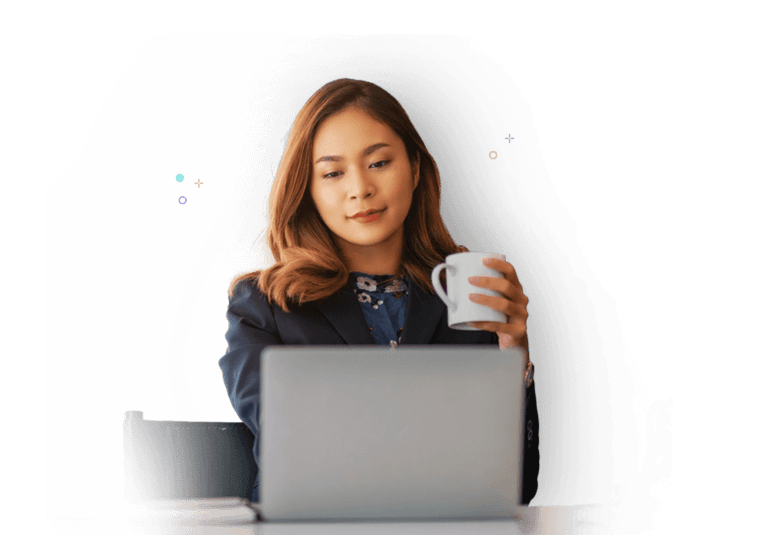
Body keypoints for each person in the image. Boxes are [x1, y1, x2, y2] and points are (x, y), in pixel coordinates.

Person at [218, 78, 539, 506]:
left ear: (416, 169)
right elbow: (295, 450)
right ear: (308, 191)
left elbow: (517, 484)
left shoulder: (467, 298)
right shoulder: (264, 305)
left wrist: (512, 351)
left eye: (379, 163)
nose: (360, 189)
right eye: (332, 172)